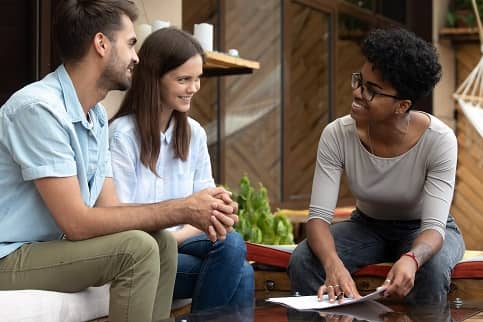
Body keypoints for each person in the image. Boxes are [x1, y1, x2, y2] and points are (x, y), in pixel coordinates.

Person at [0, 1, 238, 321]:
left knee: (162, 244)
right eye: (130, 44)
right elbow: (77, 222)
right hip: (11, 255)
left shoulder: (95, 116)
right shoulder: (38, 108)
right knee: (135, 250)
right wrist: (181, 208)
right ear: (101, 44)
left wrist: (194, 208)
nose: (136, 57)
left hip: (51, 249)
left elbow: (109, 208)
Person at [288, 28, 465, 305]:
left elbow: (433, 227)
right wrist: (333, 264)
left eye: (372, 90)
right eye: (360, 81)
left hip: (425, 230)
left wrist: (411, 258)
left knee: (429, 269)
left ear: (401, 105)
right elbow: (318, 219)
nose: (357, 92)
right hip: (367, 226)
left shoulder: (438, 141)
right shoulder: (337, 134)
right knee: (304, 260)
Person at [109, 27, 254, 312]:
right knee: (243, 271)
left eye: (197, 79)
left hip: (183, 241)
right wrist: (174, 235)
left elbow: (207, 212)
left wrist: (217, 211)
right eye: (183, 79)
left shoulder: (194, 134)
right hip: (142, 252)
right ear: (154, 79)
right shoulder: (122, 136)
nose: (194, 88)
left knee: (232, 245)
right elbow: (118, 220)